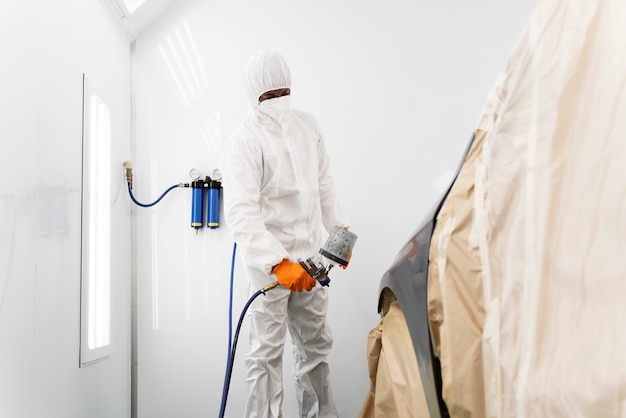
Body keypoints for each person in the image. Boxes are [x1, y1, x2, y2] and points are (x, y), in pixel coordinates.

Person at [220, 50, 350, 418]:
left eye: (283, 92)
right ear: (253, 96)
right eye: (269, 96)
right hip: (270, 269)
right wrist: (276, 262)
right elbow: (241, 212)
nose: (279, 101)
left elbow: (324, 185)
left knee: (316, 350)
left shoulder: (308, 126)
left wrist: (340, 232)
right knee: (265, 356)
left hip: (311, 260)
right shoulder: (244, 141)